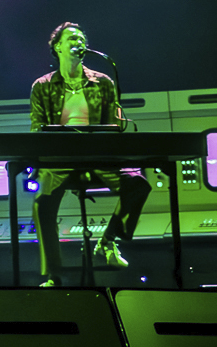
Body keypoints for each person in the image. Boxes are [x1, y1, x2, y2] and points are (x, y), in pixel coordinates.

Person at [28, 22, 150, 286]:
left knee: (138, 183)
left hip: (99, 157)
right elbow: (37, 129)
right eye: (72, 38)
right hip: (60, 161)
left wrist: (116, 125)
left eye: (82, 39)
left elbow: (114, 126)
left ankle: (108, 241)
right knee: (42, 204)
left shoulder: (103, 82)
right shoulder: (42, 86)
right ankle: (54, 276)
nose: (79, 42)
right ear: (58, 47)